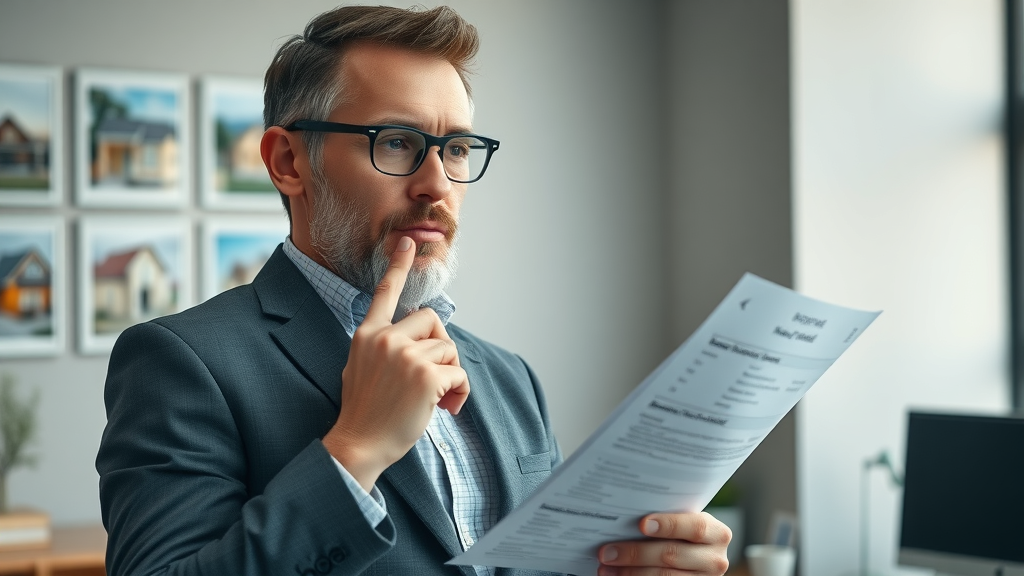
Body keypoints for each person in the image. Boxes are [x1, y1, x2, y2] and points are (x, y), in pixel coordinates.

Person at [96, 5, 732, 576]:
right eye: (396, 143)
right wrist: (356, 448)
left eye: (456, 148)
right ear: (289, 162)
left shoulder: (510, 379)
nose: (438, 184)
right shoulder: (181, 361)